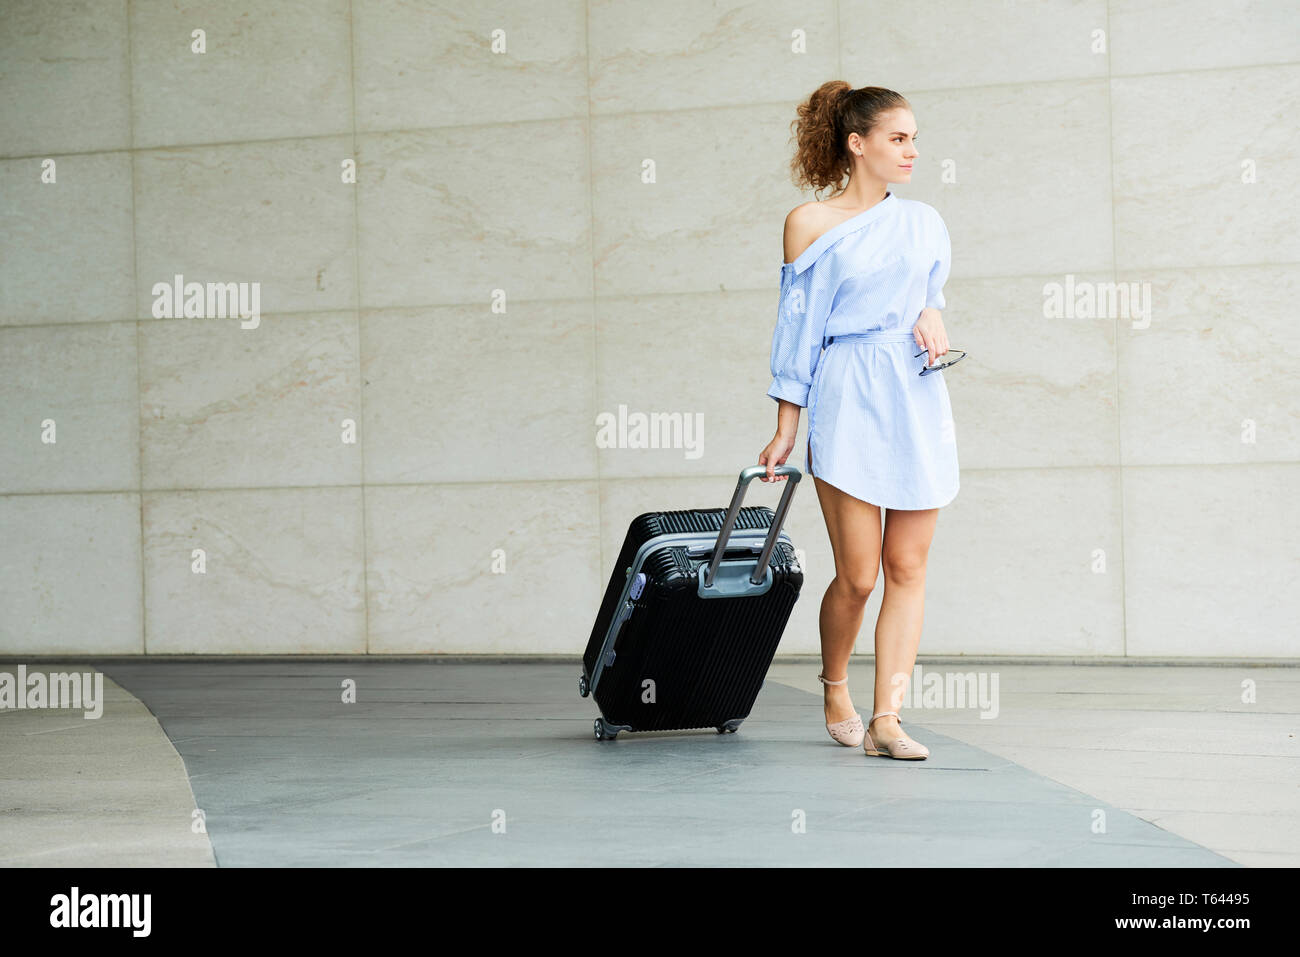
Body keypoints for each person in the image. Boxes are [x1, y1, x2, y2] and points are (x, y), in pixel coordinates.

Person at [758, 82, 959, 761]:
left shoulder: (926, 221)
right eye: (898, 138)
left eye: (913, 138)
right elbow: (797, 331)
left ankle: (889, 718)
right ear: (858, 143)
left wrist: (932, 314)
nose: (912, 150)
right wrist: (788, 424)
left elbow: (928, 299)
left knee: (908, 564)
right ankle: (835, 685)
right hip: (846, 392)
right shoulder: (809, 222)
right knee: (860, 575)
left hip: (914, 392)